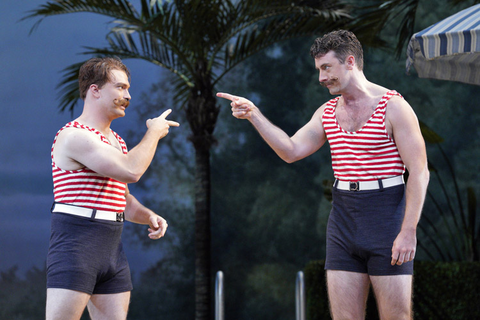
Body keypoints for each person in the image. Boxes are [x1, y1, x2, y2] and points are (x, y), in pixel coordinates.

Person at [217, 30, 429, 320]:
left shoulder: (394, 107)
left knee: (397, 317)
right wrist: (254, 114)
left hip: (386, 215)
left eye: (326, 68)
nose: (321, 77)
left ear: (350, 62)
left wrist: (408, 230)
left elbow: (418, 172)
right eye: (319, 69)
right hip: (343, 218)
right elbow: (291, 150)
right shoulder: (327, 112)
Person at [47, 56, 179, 320]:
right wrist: (153, 132)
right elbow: (132, 171)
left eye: (128, 88)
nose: (127, 95)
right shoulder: (75, 135)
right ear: (94, 90)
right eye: (119, 87)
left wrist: (148, 216)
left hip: (111, 246)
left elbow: (123, 199)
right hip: (77, 243)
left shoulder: (117, 141)